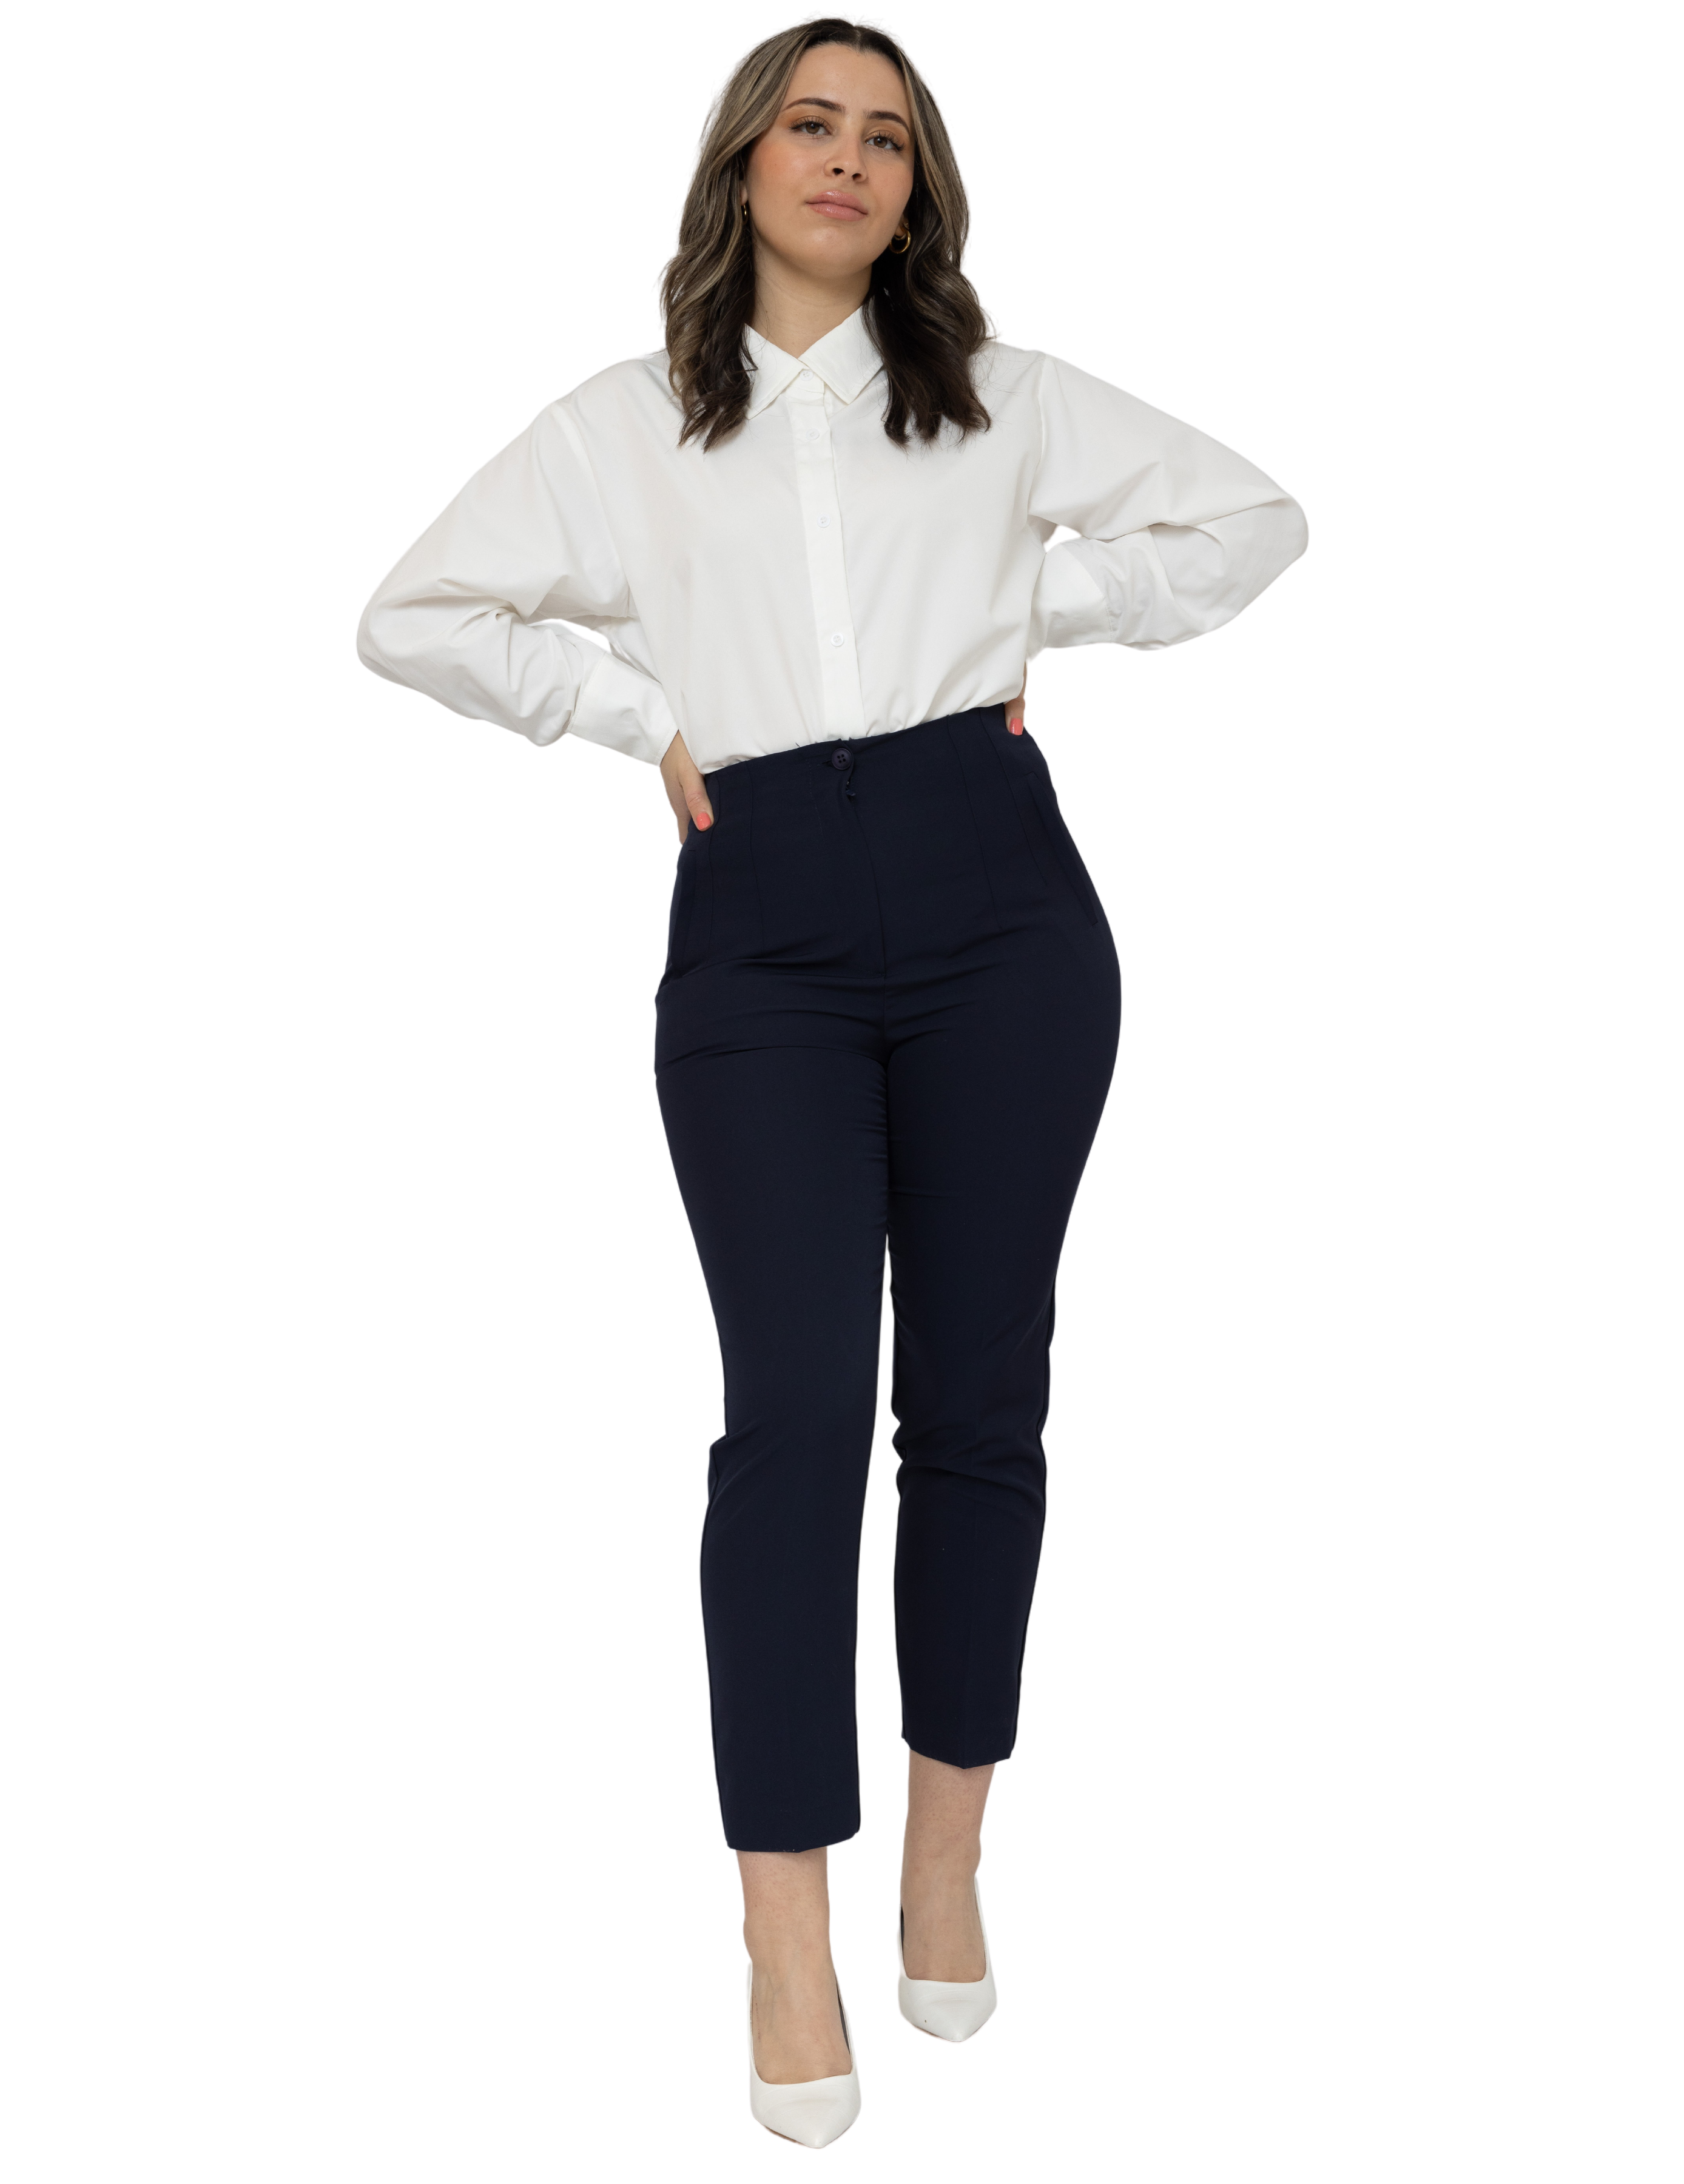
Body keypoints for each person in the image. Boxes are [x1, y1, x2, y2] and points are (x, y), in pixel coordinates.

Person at [357, 11, 1307, 2149]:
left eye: (887, 135)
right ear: (742, 160)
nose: (848, 159)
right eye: (812, 123)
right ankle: (785, 1928)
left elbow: (1257, 519)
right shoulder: (623, 427)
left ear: (918, 186)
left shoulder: (1000, 396)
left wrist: (1041, 601)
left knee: (982, 1395)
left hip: (1001, 908)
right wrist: (632, 721)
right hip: (760, 917)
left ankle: (945, 1863)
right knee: (790, 1405)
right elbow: (412, 614)